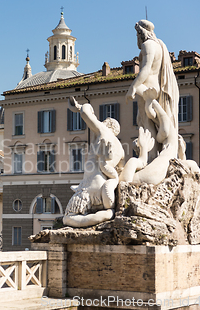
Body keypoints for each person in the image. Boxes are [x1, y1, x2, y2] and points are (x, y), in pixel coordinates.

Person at [63, 97, 125, 228]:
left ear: (107, 124)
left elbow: (86, 113)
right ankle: (107, 214)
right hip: (103, 189)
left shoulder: (103, 130)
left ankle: (105, 215)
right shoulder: (121, 148)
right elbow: (121, 172)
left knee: (68, 218)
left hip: (88, 187)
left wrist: (80, 107)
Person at [126, 20, 179, 161]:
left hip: (146, 90)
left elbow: (145, 69)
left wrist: (133, 87)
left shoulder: (147, 45)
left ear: (140, 33)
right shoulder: (160, 46)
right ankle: (156, 156)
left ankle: (150, 158)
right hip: (156, 89)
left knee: (146, 126)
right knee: (156, 124)